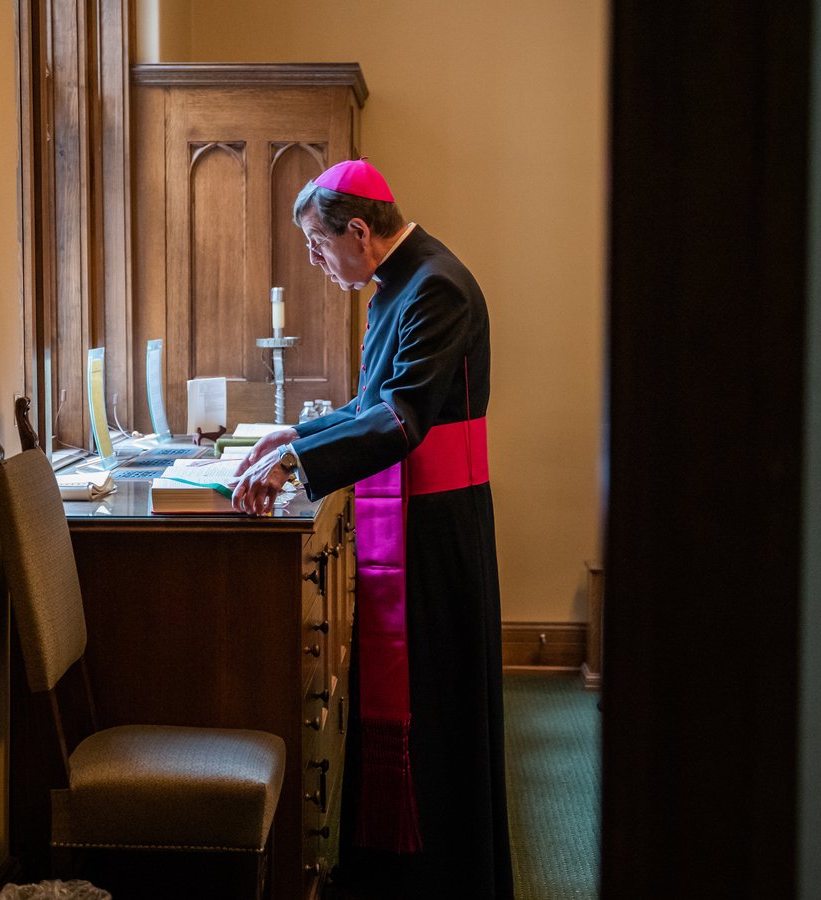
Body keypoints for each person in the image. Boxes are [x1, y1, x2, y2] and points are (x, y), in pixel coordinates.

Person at [232, 159, 513, 899]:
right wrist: (290, 437)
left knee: (438, 711)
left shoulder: (438, 287)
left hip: (438, 528)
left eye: (320, 247)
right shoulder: (397, 284)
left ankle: (445, 880)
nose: (319, 264)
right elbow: (371, 403)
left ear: (359, 230)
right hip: (407, 517)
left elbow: (400, 419)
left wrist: (295, 465)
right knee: (411, 707)